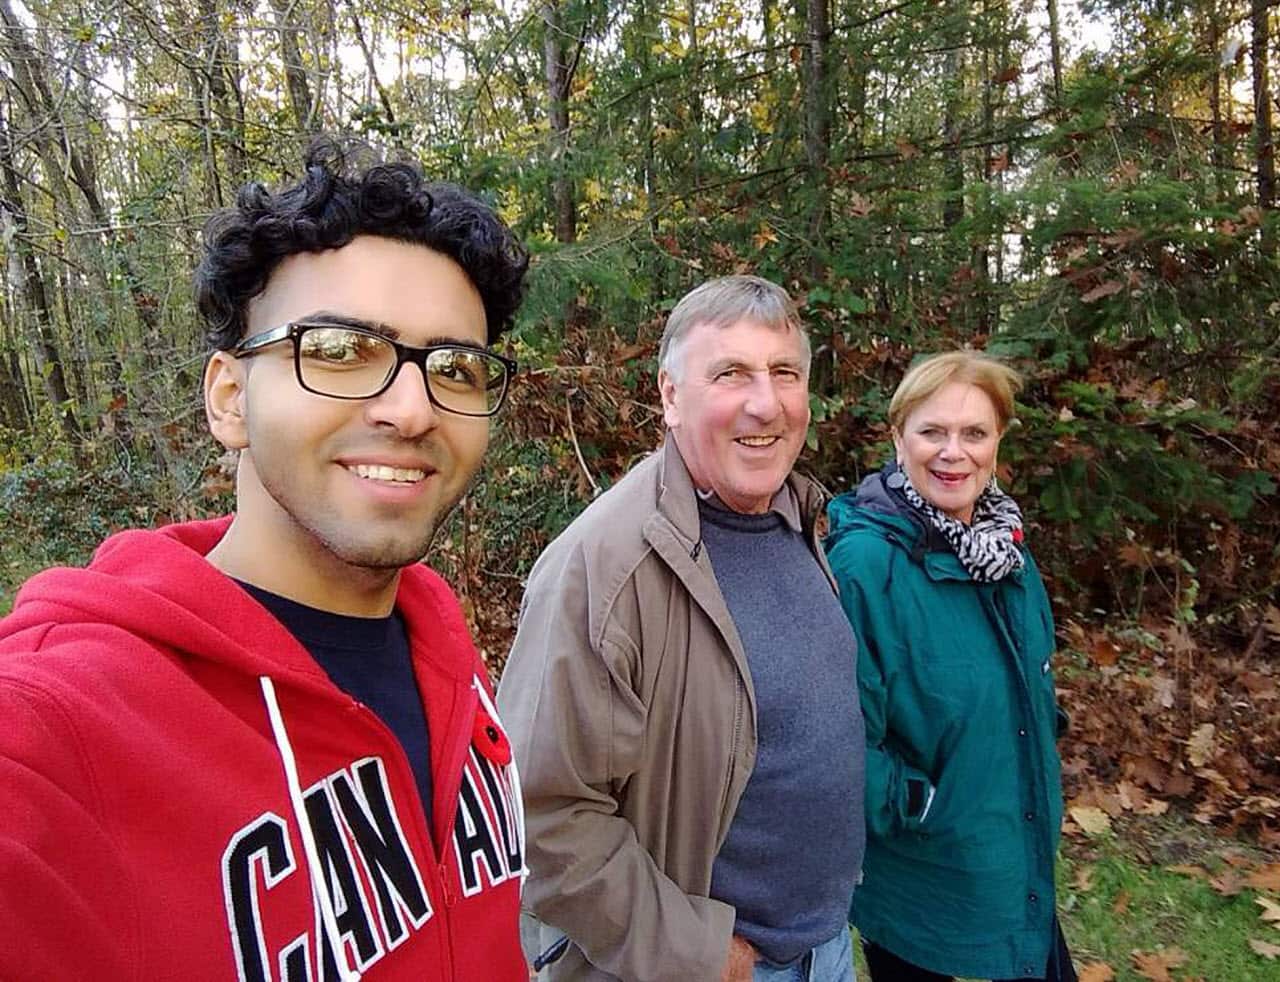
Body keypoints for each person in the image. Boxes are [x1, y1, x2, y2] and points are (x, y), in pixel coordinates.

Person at [0, 140, 531, 981]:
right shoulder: (62, 726)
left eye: (455, 368)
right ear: (229, 398)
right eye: (337, 349)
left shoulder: (446, 653)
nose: (411, 407)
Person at [498, 275, 866, 982]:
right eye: (730, 373)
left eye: (784, 373)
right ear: (670, 397)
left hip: (824, 948)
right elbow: (541, 816)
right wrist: (694, 952)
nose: (765, 403)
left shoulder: (795, 517)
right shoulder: (603, 567)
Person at [824, 351, 1075, 982]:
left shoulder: (1007, 551)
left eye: (974, 433)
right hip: (920, 880)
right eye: (932, 431)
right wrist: (917, 805)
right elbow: (840, 737)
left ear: (998, 443)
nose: (952, 452)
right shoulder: (864, 566)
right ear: (897, 437)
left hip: (1012, 856)